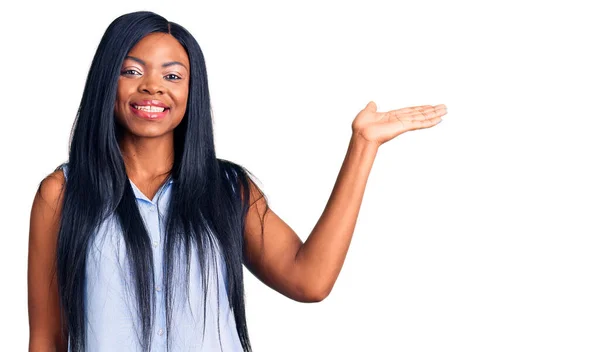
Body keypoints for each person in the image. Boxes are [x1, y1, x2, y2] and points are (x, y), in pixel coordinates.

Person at [27, 10, 447, 352]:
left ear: (192, 91)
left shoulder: (227, 190)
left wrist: (363, 146)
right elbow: (46, 338)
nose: (153, 87)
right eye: (132, 71)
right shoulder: (62, 195)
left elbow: (310, 281)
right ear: (106, 82)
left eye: (172, 76)